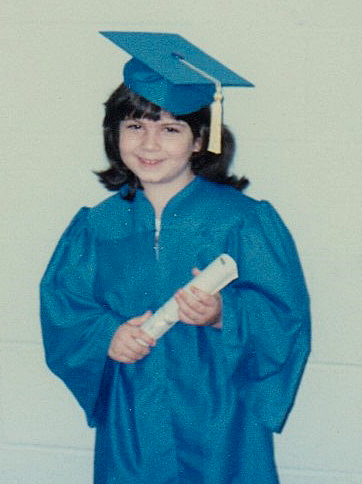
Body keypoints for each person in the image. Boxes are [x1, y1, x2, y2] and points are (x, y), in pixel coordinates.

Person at [40, 32, 311, 484]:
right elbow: (64, 308)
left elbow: (286, 318)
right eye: (135, 127)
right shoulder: (97, 225)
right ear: (115, 135)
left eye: (170, 129)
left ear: (200, 137)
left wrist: (225, 313)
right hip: (132, 413)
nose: (149, 145)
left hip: (220, 414)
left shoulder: (243, 220)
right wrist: (106, 336)